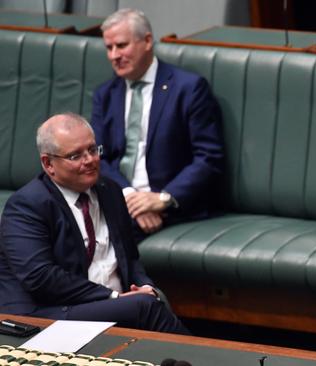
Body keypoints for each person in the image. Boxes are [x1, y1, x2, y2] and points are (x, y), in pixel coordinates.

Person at [0, 113, 188, 334]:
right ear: (48, 164)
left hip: (109, 303)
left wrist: (145, 286)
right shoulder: (27, 205)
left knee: (151, 299)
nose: (89, 160)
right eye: (75, 156)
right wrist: (114, 297)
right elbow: (41, 278)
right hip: (47, 311)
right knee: (144, 307)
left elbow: (130, 259)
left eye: (92, 149)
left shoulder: (110, 191)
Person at [92, 8, 223, 239]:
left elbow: (208, 158)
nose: (114, 55)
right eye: (109, 48)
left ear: (147, 41)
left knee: (99, 236)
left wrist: (162, 199)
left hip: (171, 203)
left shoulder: (188, 88)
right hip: (121, 198)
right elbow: (97, 156)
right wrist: (131, 198)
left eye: (121, 46)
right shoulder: (106, 94)